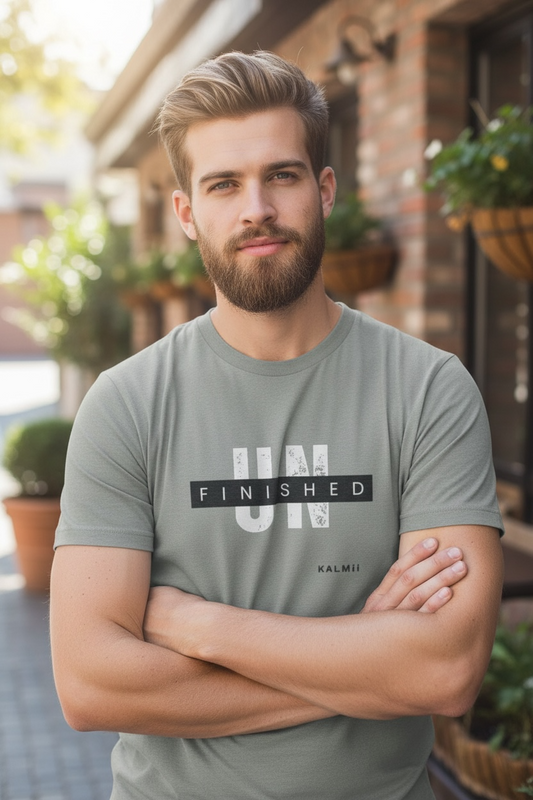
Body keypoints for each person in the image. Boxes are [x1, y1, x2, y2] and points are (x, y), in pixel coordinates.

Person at [50, 51, 504, 800]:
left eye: (281, 175)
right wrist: (368, 660)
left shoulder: (427, 390)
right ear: (187, 212)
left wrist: (200, 627)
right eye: (223, 184)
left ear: (323, 190)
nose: (254, 207)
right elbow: (93, 687)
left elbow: (445, 671)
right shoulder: (126, 403)